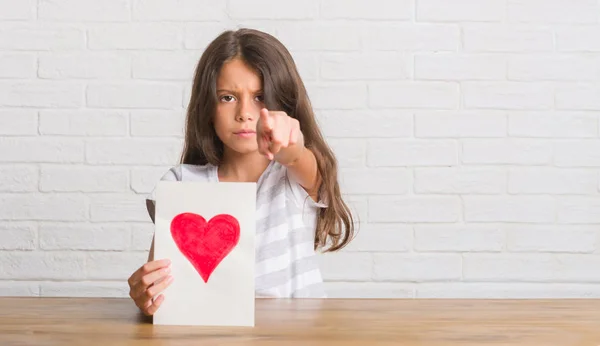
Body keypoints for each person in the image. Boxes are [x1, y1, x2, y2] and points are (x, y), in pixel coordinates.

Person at [127, 28, 354, 316]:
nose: (245, 113)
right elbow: (163, 294)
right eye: (227, 98)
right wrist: (148, 298)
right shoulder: (181, 182)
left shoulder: (295, 176)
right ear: (207, 107)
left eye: (260, 97)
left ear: (282, 102)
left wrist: (291, 146)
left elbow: (300, 159)